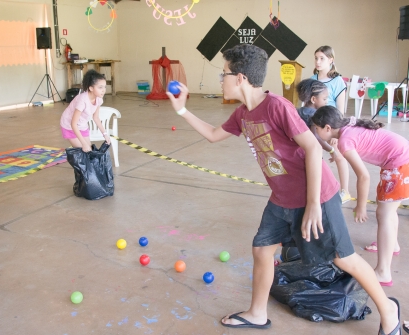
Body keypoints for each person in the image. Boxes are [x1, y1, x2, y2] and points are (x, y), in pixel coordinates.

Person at [166, 44, 400, 334]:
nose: (221, 81)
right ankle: (256, 313)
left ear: (240, 78)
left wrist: (313, 204)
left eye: (223, 74)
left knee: (343, 258)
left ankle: (388, 310)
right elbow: (214, 135)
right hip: (282, 198)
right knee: (262, 250)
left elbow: (313, 149)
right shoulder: (242, 114)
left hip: (317, 195)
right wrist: (182, 110)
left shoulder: (276, 106)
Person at [311, 106, 409, 288]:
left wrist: (361, 206)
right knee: (389, 210)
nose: (315, 133)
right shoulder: (347, 126)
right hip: (401, 157)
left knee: (384, 215)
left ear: (327, 128)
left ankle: (383, 272)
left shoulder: (345, 141)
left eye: (316, 129)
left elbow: (363, 176)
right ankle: (392, 245)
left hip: (399, 163)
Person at [296, 79, 351, 203]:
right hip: (312, 153)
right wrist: (331, 149)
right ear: (314, 99)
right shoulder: (314, 115)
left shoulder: (298, 111)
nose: (326, 102)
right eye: (325, 99)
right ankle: (341, 192)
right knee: (323, 175)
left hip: (300, 153)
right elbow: (315, 137)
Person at [311, 46, 351, 203]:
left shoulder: (337, 81)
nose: (318, 61)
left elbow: (340, 109)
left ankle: (345, 191)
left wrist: (336, 132)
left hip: (330, 126)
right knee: (314, 156)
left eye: (322, 58)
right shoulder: (311, 80)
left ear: (331, 60)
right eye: (316, 58)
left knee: (339, 157)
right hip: (315, 125)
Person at [60, 69, 110, 152]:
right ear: (91, 88)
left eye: (105, 87)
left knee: (89, 151)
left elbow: (96, 118)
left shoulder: (99, 99)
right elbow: (73, 124)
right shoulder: (82, 100)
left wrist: (105, 135)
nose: (103, 90)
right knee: (84, 151)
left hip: (82, 125)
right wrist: (83, 144)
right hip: (69, 125)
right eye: (100, 87)